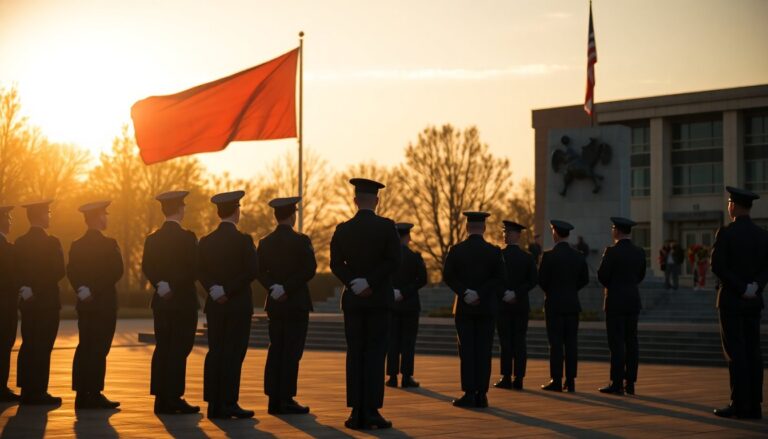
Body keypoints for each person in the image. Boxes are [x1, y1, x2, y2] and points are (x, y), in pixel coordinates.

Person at [330, 178, 400, 430]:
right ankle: (371, 410)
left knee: (355, 354)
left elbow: (336, 264)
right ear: (377, 201)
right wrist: (370, 281)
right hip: (378, 300)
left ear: (355, 200)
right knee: (374, 354)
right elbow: (394, 260)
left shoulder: (343, 229)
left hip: (354, 301)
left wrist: (354, 282)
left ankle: (356, 412)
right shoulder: (386, 227)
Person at [198, 190, 258, 419]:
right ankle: (229, 403)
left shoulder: (206, 241)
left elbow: (199, 270)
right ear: (236, 211)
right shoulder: (244, 240)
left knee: (216, 352)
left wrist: (214, 289)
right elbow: (251, 271)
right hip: (237, 306)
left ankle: (214, 404)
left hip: (215, 305)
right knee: (233, 354)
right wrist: (228, 289)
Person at [257, 196, 317, 415]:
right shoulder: (301, 241)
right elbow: (309, 269)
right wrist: (288, 288)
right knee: (291, 352)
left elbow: (259, 271)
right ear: (293, 215)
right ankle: (286, 399)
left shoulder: (265, 242)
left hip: (275, 304)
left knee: (276, 349)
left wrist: (274, 287)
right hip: (296, 304)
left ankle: (273, 398)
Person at [142, 191, 200, 414]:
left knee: (163, 347)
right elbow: (193, 268)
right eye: (183, 207)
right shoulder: (188, 237)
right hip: (183, 301)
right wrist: (173, 286)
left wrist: (160, 284)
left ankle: (160, 398)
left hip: (162, 302)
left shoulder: (152, 239)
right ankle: (174, 397)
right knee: (179, 348)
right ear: (179, 209)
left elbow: (147, 266)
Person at [712, 186, 767, 420]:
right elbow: (766, 267)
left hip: (732, 301)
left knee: (736, 353)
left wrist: (740, 287)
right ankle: (754, 405)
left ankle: (738, 403)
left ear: (733, 206)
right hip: (753, 301)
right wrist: (755, 286)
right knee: (753, 352)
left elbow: (718, 267)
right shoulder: (762, 234)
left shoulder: (726, 233)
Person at [443, 211, 506, 408]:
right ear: (484, 228)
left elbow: (448, 276)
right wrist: (481, 293)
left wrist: (465, 293)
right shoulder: (494, 251)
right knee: (484, 351)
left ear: (467, 227)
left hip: (464, 308)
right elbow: (500, 278)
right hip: (486, 308)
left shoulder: (457, 250)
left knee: (467, 351)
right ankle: (482, 394)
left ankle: (469, 393)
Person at [67, 201, 124, 409]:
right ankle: (94, 393)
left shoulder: (77, 244)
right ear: (99, 218)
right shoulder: (109, 244)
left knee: (85, 346)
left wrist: (82, 289)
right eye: (105, 215)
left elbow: (71, 271)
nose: (106, 218)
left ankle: (81, 393)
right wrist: (94, 290)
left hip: (85, 304)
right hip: (103, 305)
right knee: (99, 349)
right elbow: (116, 271)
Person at [14, 200, 64, 406]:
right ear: (41, 216)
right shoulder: (52, 242)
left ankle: (26, 389)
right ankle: (39, 391)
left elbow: (14, 270)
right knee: (43, 347)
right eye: (48, 213)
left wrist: (25, 288)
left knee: (28, 345)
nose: (50, 216)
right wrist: (37, 290)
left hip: (28, 301)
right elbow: (58, 272)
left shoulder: (20, 242)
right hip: (47, 302)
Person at [538, 220, 589, 393]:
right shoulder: (578, 255)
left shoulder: (548, 256)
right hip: (572, 305)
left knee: (556, 344)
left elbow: (542, 281)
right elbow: (585, 279)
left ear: (555, 233)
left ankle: (557, 380)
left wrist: (553, 291)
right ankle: (571, 381)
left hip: (554, 305)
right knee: (571, 344)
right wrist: (571, 290)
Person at [597, 217, 646, 396]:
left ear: (617, 231)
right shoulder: (639, 252)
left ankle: (616, 382)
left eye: (613, 228)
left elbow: (602, 276)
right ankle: (630, 382)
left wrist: (614, 285)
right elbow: (640, 275)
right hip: (633, 301)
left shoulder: (611, 251)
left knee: (616, 343)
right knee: (632, 342)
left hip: (615, 302)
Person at [494, 220, 537, 391]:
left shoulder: (523, 257)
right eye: (505, 232)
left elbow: (533, 279)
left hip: (508, 304)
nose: (505, 235)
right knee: (509, 342)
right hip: (516, 304)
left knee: (514, 342)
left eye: (509, 232)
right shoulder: (524, 257)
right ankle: (512, 377)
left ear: (518, 235)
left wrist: (508, 293)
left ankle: (514, 377)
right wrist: (512, 293)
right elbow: (531, 281)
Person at [386, 222, 428, 389]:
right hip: (410, 305)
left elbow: (383, 276)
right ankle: (407, 377)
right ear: (408, 237)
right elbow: (422, 280)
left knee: (392, 342)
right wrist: (405, 292)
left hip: (392, 304)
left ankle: (392, 377)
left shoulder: (388, 258)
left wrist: (394, 291)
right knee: (408, 343)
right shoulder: (415, 257)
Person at [0, 205, 19, 402]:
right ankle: (1, 388)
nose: (11, 221)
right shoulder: (6, 248)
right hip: (4, 306)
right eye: (9, 217)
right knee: (4, 345)